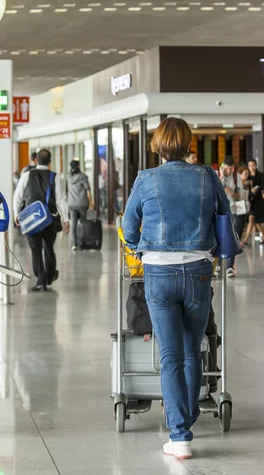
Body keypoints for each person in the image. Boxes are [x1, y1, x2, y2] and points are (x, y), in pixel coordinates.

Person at [122, 117, 229, 460]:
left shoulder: (146, 179)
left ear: (158, 144)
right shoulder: (207, 177)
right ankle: (189, 416)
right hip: (199, 271)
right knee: (192, 349)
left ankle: (180, 434)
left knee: (169, 356)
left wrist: (142, 247)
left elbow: (128, 224)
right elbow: (225, 215)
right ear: (188, 144)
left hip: (158, 273)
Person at [14, 149, 70, 291]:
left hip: (31, 220)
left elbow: (18, 197)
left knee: (35, 249)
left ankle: (40, 281)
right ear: (50, 162)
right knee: (49, 248)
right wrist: (66, 219)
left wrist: (16, 214)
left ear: (35, 160)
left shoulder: (26, 175)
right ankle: (50, 276)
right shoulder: (55, 177)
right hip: (49, 219)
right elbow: (61, 200)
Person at [218, 156, 244, 277]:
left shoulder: (236, 177)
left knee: (233, 237)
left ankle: (229, 266)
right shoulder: (217, 175)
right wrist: (221, 178)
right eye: (226, 168)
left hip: (234, 209)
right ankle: (218, 265)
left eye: (231, 169)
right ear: (223, 167)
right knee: (219, 236)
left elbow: (240, 195)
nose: (229, 171)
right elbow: (214, 190)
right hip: (219, 209)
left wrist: (231, 193)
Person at [67, 159, 94, 250]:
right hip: (82, 203)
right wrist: (91, 203)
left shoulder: (68, 177)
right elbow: (88, 191)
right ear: (78, 166)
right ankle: (82, 243)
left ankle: (74, 244)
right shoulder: (83, 177)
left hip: (72, 204)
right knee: (82, 224)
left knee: (73, 225)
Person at [242, 159, 264, 245]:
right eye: (250, 165)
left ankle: (246, 240)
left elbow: (263, 185)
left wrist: (257, 188)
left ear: (256, 165)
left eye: (253, 165)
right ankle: (245, 240)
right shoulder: (247, 176)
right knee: (251, 219)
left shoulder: (260, 175)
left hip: (258, 200)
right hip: (250, 200)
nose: (252, 167)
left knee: (257, 221)